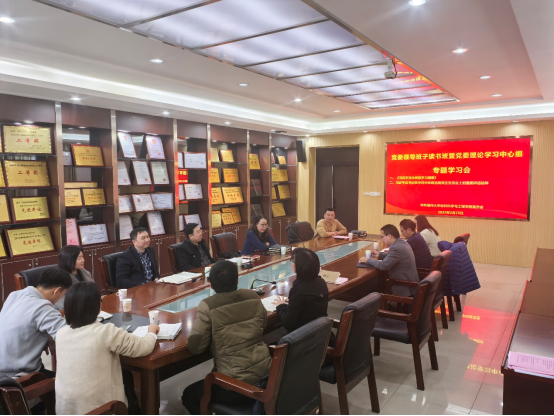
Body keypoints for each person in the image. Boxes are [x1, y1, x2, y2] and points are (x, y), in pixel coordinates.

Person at [55, 282, 159, 415]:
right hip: (103, 410)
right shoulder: (105, 332)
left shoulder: (60, 333)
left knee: (125, 376)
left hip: (65, 410)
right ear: (97, 306)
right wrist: (152, 331)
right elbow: (144, 347)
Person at [182, 261, 271, 415]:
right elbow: (263, 325)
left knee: (189, 396)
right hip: (266, 376)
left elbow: (195, 347)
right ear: (237, 280)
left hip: (236, 386)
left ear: (210, 284)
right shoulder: (252, 295)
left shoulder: (208, 305)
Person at [0, 268, 71, 378]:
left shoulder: (14, 295)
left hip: (3, 366)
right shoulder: (42, 307)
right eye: (63, 294)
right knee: (68, 381)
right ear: (57, 291)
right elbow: (70, 336)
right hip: (19, 375)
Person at [265, 248, 334, 345]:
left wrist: (281, 306)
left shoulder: (298, 290)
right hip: (320, 333)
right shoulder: (321, 282)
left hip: (302, 339)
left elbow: (288, 323)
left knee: (265, 337)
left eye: (292, 261)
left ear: (297, 266)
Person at [359, 224, 419, 297]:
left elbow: (383, 266)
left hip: (405, 286)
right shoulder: (401, 242)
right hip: (410, 282)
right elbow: (395, 257)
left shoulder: (396, 247)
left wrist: (367, 260)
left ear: (389, 236)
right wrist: (379, 255)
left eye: (382, 237)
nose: (382, 239)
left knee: (377, 289)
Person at [55, 245, 95, 310]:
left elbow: (94, 289)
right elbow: (60, 303)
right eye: (79, 258)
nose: (83, 260)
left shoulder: (84, 272)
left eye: (82, 257)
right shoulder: (59, 278)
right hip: (75, 310)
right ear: (68, 260)